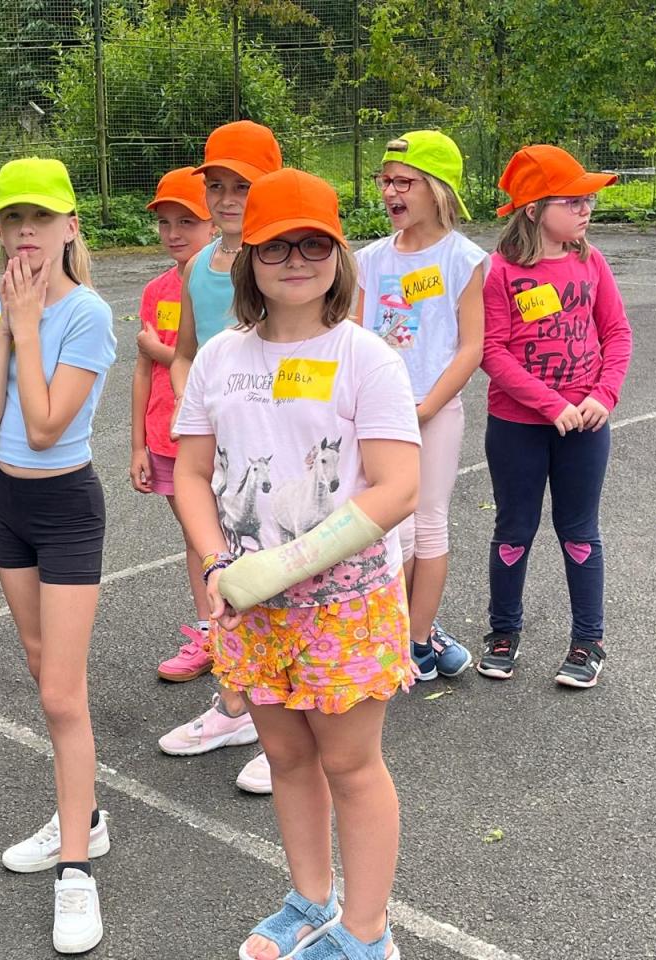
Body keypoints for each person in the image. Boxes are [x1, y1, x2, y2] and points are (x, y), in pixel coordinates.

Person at [173, 168, 419, 960]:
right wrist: (218, 563)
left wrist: (289, 564)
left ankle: (367, 933)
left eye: (315, 244)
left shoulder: (366, 357)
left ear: (339, 256)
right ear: (249, 257)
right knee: (285, 756)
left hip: (346, 604)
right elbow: (191, 472)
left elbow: (399, 486)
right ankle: (311, 900)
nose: (296, 260)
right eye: (276, 246)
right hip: (249, 604)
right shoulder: (219, 358)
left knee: (350, 764)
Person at [0, 157, 116, 954]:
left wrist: (26, 328)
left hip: (66, 508)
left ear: (69, 228)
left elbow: (49, 424)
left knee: (60, 694)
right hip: (8, 503)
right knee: (40, 665)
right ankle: (83, 812)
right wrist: (3, 327)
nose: (25, 231)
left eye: (41, 218)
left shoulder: (87, 313)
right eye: (12, 218)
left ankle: (76, 870)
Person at [156, 120, 284, 794]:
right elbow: (184, 355)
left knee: (278, 573)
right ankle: (236, 704)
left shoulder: (284, 260)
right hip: (217, 448)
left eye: (243, 185)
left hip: (273, 447)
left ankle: (283, 724)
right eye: (217, 186)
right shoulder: (198, 266)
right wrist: (195, 404)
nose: (227, 198)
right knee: (216, 567)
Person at [479, 145, 632, 688]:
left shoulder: (591, 262)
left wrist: (603, 397)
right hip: (516, 428)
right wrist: (552, 405)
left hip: (586, 426)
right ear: (533, 209)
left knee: (580, 532)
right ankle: (503, 632)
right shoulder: (499, 272)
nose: (586, 209)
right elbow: (491, 351)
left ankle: (589, 641)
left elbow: (617, 333)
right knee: (514, 530)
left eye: (588, 200)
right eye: (572, 200)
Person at [354, 130, 487, 681]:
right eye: (385, 180)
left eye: (404, 182)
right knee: (390, 528)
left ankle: (417, 640)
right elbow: (352, 334)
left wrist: (428, 407)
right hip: (376, 415)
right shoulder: (368, 259)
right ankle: (398, 631)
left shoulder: (464, 259)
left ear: (438, 188)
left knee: (428, 523)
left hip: (434, 411)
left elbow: (471, 346)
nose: (390, 191)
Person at [129, 166, 218, 680]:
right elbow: (142, 372)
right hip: (166, 437)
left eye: (187, 221)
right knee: (195, 537)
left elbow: (213, 360)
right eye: (165, 222)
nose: (173, 233)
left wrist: (159, 350)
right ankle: (210, 632)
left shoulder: (225, 285)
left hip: (214, 437)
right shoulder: (155, 290)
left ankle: (242, 633)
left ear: (213, 225)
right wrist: (137, 445)